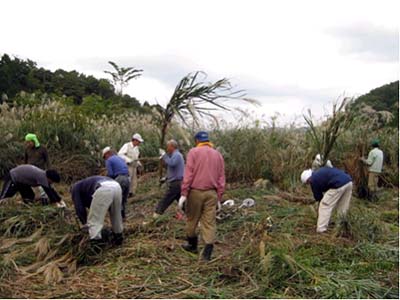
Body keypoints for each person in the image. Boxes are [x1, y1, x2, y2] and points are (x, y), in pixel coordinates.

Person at [178, 131, 225, 261]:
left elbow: (188, 175)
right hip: (212, 194)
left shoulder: (193, 152)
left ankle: (192, 245)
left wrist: (184, 193)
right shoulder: (218, 155)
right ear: (208, 141)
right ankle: (207, 253)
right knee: (209, 222)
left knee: (192, 219)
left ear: (197, 141)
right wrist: (219, 197)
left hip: (195, 192)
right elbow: (221, 178)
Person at [71, 176, 123, 245]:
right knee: (116, 215)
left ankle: (96, 245)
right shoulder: (86, 184)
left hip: (103, 188)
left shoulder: (75, 188)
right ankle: (118, 238)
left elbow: (79, 207)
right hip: (116, 186)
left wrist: (84, 223)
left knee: (94, 221)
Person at [301, 167, 353, 233]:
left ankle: (321, 229)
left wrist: (319, 210)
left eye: (307, 183)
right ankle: (340, 227)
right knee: (342, 207)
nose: (308, 184)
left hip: (338, 184)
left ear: (307, 179)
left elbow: (318, 197)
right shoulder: (319, 172)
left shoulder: (313, 180)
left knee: (324, 205)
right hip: (348, 182)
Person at [153, 140, 185, 218]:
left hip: (176, 183)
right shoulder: (174, 155)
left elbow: (171, 163)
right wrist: (166, 178)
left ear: (172, 147)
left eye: (168, 147)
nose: (167, 148)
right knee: (182, 201)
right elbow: (173, 169)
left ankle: (157, 214)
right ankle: (193, 216)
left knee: (166, 200)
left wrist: (164, 155)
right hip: (177, 182)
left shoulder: (177, 155)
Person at [102, 146, 130, 219]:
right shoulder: (120, 158)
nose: (105, 159)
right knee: (123, 199)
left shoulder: (109, 160)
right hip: (127, 178)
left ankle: (118, 218)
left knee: (116, 199)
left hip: (120, 178)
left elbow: (110, 174)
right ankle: (123, 217)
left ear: (107, 154)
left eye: (104, 157)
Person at [24, 133, 51, 203]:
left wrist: (49, 169)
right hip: (30, 170)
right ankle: (32, 198)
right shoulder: (27, 149)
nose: (28, 144)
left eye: (29, 142)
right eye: (27, 142)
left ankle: (45, 199)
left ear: (34, 141)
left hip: (40, 170)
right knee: (31, 185)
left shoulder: (42, 148)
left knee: (42, 186)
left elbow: (47, 160)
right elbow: (25, 160)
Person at [118, 133, 144, 197]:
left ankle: (131, 193)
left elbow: (136, 158)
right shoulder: (127, 145)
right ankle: (125, 193)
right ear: (134, 140)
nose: (139, 143)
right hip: (127, 166)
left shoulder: (136, 148)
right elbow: (120, 154)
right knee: (128, 180)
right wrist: (128, 160)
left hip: (134, 166)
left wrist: (139, 164)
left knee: (134, 181)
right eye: (138, 141)